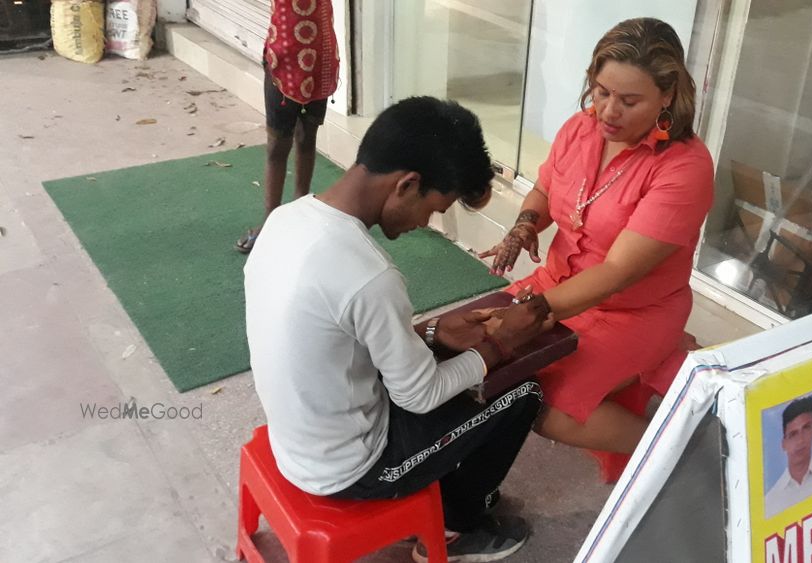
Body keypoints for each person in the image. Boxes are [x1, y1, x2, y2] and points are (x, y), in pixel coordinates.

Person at [245, 96, 555, 562]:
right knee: (521, 393)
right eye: (435, 208)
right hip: (350, 469)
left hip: (299, 440)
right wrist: (500, 342)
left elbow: (343, 332)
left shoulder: (287, 220)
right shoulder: (370, 274)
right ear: (407, 184)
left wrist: (431, 333)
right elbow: (420, 396)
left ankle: (452, 493)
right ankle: (459, 527)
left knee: (450, 363)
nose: (426, 223)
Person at [479, 18, 714, 455]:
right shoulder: (580, 129)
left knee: (549, 407)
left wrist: (537, 312)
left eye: (628, 100)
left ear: (667, 95)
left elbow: (619, 271)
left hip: (634, 310)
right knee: (481, 356)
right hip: (556, 283)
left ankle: (673, 455)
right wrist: (525, 224)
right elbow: (546, 188)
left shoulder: (685, 167)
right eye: (601, 92)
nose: (607, 111)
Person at [235, 0, 340, 253]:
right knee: (277, 145)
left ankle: (301, 214)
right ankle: (271, 223)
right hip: (283, 57)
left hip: (319, 55)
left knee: (307, 138)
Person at [764, 395, 812, 518]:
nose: (801, 440)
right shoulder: (770, 503)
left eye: (806, 428)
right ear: (783, 444)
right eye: (793, 434)